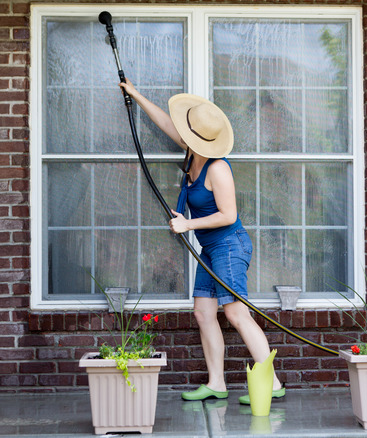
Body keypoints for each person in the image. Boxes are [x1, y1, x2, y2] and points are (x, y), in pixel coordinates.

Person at [119, 79, 284, 404]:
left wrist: (187, 223)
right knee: (204, 313)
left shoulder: (217, 167)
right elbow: (164, 122)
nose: (180, 131)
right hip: (211, 248)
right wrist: (136, 93)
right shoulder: (193, 151)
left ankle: (273, 383)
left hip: (229, 245)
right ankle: (216, 383)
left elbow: (228, 214)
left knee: (236, 314)